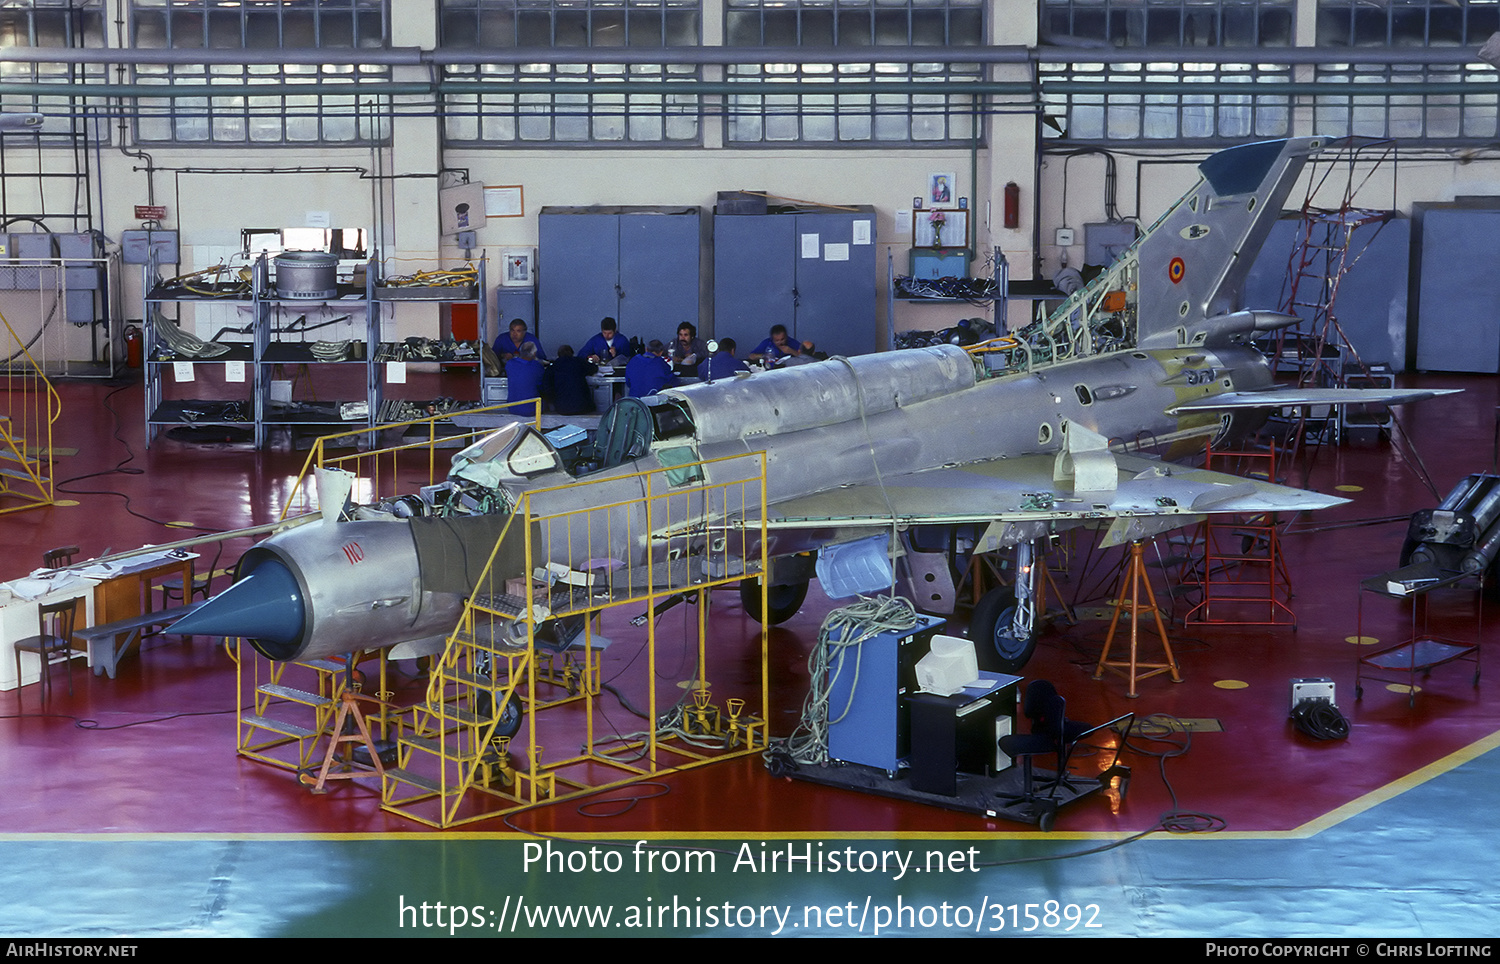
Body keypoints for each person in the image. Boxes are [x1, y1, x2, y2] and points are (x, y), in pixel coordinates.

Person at [544, 344, 598, 416]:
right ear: (572, 353)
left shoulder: (553, 367)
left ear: (559, 355)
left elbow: (546, 387)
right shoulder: (578, 361)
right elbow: (594, 369)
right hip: (583, 407)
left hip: (563, 409)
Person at [747, 324, 813, 365]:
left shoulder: (791, 342)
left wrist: (791, 351)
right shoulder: (767, 342)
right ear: (772, 339)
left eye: (782, 339)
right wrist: (764, 356)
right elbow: (751, 356)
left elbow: (806, 358)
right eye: (777, 340)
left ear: (786, 337)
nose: (780, 342)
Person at [505, 341, 545, 407]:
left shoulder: (510, 364)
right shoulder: (537, 366)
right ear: (534, 354)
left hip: (513, 407)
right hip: (532, 409)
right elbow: (541, 386)